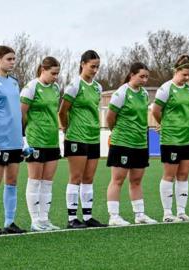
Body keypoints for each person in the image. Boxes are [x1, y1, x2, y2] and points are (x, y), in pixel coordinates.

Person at [0, 45, 28, 235]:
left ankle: (10, 222)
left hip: (15, 140)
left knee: (12, 181)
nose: (12, 62)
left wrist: (24, 137)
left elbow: (17, 111)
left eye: (13, 59)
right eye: (9, 59)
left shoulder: (15, 82)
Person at [58, 50, 107, 228]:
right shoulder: (74, 86)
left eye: (97, 67)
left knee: (89, 178)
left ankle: (87, 217)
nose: (95, 70)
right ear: (82, 64)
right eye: (92, 66)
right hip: (77, 137)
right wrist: (66, 128)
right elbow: (62, 111)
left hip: (93, 137)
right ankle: (72, 219)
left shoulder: (98, 87)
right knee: (76, 177)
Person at [105, 62, 157, 226]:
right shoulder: (121, 93)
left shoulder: (143, 94)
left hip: (140, 143)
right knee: (118, 179)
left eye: (147, 77)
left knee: (136, 180)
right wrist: (117, 133)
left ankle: (139, 214)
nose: (144, 80)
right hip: (122, 142)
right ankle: (114, 216)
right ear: (132, 74)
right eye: (141, 76)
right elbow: (110, 118)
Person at [152, 54, 189, 223]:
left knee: (184, 175)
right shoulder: (165, 89)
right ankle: (167, 213)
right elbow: (156, 111)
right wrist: (163, 124)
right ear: (176, 71)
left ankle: (181, 212)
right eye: (184, 74)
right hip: (171, 139)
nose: (187, 78)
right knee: (169, 175)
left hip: (188, 138)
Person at [21, 57, 62, 231]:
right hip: (35, 139)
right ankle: (35, 220)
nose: (56, 77)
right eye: (53, 73)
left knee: (47, 182)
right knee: (35, 180)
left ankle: (45, 219)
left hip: (52, 140)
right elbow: (21, 114)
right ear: (42, 70)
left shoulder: (56, 88)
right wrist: (23, 139)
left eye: (57, 73)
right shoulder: (31, 88)